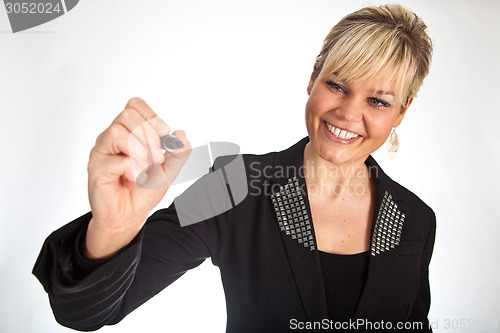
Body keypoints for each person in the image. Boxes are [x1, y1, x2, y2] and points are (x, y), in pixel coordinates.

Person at [33, 3, 436, 332]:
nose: (348, 113)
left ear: (402, 111)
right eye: (337, 85)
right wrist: (114, 227)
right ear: (313, 78)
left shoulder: (416, 218)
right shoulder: (235, 184)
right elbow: (86, 312)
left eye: (379, 101)